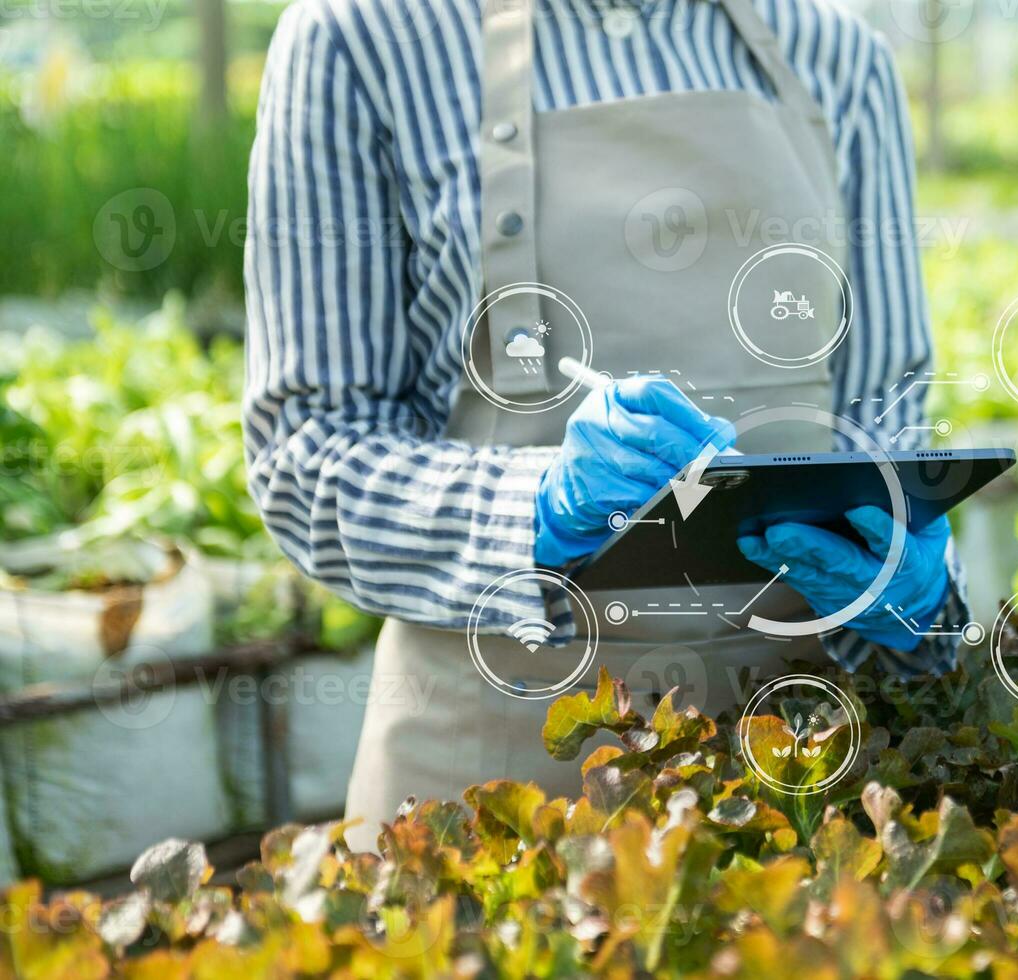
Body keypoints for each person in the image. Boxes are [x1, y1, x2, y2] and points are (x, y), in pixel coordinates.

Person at [244, 0, 970, 852]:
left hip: (792, 796)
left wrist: (915, 601)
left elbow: (882, 427)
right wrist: (535, 509)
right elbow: (307, 451)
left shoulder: (840, 56)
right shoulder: (361, 37)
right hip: (482, 811)